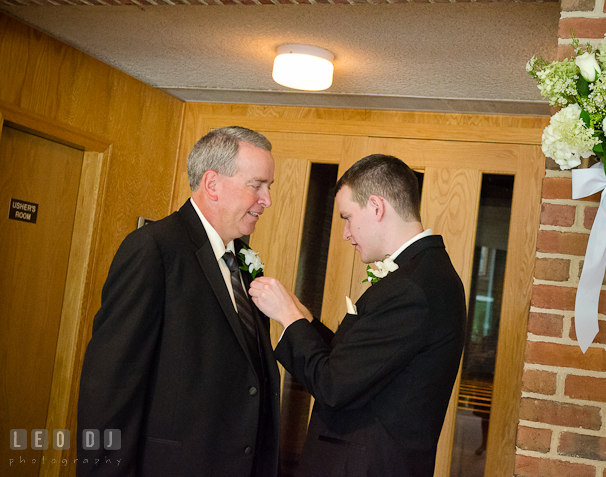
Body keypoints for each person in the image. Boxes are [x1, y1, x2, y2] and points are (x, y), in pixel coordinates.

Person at [77, 126, 280, 476]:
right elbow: (111, 387)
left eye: (269, 188)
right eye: (257, 186)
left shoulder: (243, 261)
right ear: (212, 184)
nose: (267, 200)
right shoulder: (154, 249)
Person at [249, 154, 466, 477]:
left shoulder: (412, 287)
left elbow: (334, 386)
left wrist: (289, 316)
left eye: (348, 217)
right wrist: (304, 322)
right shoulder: (424, 272)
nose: (345, 233)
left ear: (377, 207)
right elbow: (360, 363)